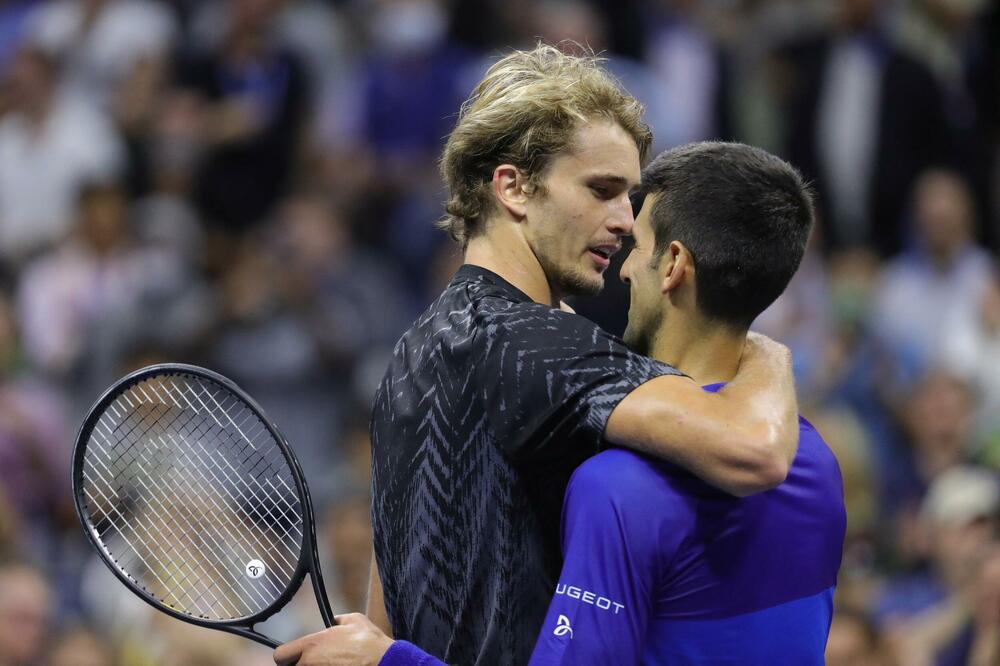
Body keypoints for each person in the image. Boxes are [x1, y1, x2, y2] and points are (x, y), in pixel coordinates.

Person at [275, 45, 799, 666]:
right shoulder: (534, 345)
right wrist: (766, 352)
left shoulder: (413, 350)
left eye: (630, 197)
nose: (626, 221)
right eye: (602, 190)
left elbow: (390, 608)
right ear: (514, 187)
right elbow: (755, 451)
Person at [529, 142, 846, 664]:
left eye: (637, 245)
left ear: (674, 263)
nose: (626, 270)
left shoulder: (618, 487)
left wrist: (391, 659)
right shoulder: (817, 462)